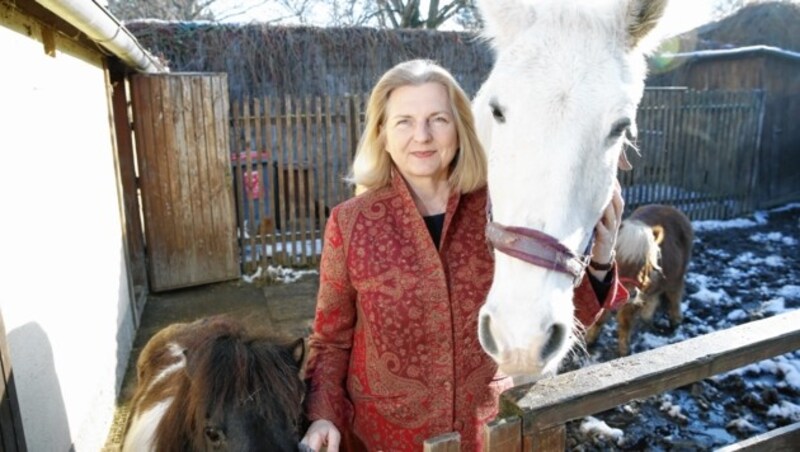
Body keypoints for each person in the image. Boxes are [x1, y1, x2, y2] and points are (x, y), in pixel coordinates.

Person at [300, 59, 627, 452]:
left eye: (438, 119)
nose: (422, 136)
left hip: (484, 436)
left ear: (460, 128)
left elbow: (551, 312)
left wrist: (602, 261)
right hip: (379, 440)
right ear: (382, 134)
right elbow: (330, 342)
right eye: (404, 121)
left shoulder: (502, 207)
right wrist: (323, 414)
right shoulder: (350, 223)